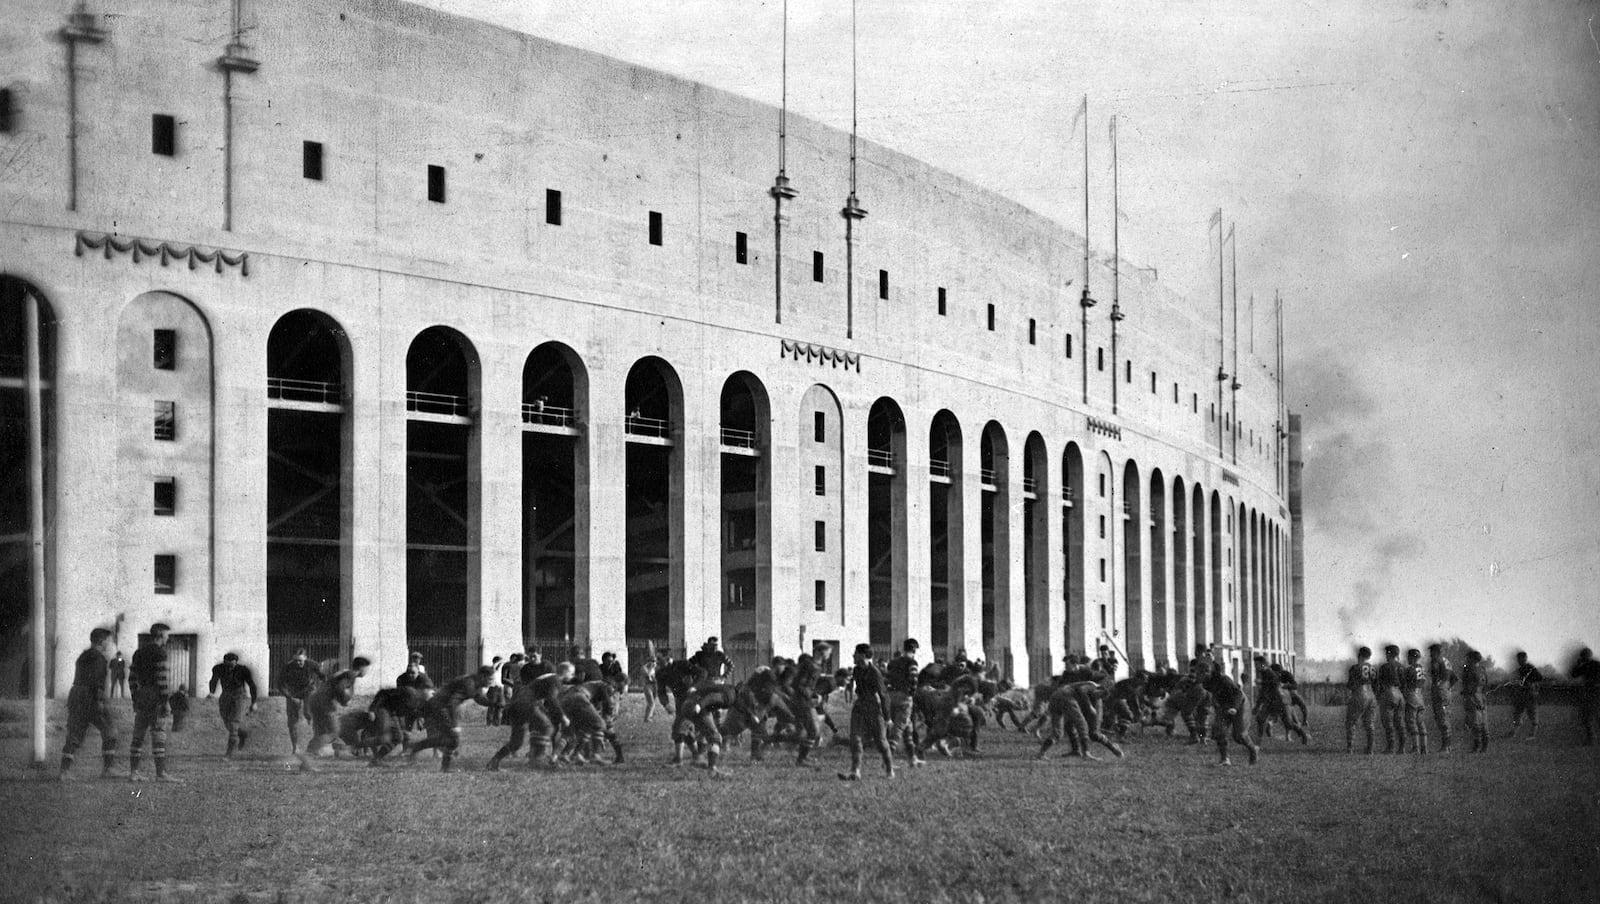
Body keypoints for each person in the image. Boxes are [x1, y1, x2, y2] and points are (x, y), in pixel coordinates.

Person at [407, 666, 494, 772]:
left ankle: (418, 747)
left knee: (449, 739)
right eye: (490, 679)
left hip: (440, 706)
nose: (492, 682)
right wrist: (454, 725)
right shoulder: (469, 684)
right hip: (439, 707)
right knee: (453, 738)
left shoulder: (474, 683)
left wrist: (494, 704)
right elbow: (452, 703)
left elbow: (479, 697)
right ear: (482, 676)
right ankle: (443, 766)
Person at [59, 627, 119, 780]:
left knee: (75, 733)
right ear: (101, 641)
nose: (110, 643)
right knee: (110, 729)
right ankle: (108, 768)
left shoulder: (83, 656)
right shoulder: (99, 658)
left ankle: (64, 771)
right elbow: (96, 681)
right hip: (90, 695)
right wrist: (99, 701)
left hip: (76, 694)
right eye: (108, 640)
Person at [487, 662, 571, 771]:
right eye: (571, 673)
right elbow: (552, 699)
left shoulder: (548, 677)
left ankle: (494, 762)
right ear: (566, 671)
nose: (572, 676)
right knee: (547, 728)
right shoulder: (556, 680)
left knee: (516, 742)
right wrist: (563, 717)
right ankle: (536, 760)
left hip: (516, 705)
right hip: (527, 704)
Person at [128, 622, 180, 782]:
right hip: (155, 695)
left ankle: (133, 773)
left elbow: (132, 678)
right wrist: (165, 701)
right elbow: (161, 679)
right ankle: (160, 774)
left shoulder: (138, 652)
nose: (168, 638)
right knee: (158, 733)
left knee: (138, 734)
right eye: (166, 635)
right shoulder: (160, 653)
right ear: (160, 635)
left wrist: (135, 697)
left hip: (142, 694)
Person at [299, 657, 370, 772]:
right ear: (362, 668)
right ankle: (306, 755)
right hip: (324, 702)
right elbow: (340, 687)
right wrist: (344, 700)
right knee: (334, 732)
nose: (367, 672)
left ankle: (306, 764)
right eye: (367, 669)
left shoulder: (345, 672)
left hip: (316, 699)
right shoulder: (351, 675)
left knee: (321, 733)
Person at [838, 643, 895, 781]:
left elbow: (883, 695)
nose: (853, 655)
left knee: (881, 742)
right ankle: (855, 771)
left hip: (874, 708)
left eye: (855, 653)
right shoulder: (857, 670)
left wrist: (887, 718)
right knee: (855, 738)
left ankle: (889, 770)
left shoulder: (875, 673)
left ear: (862, 655)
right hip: (860, 707)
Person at [1200, 659, 1258, 766]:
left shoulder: (1224, 679)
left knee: (1239, 736)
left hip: (1240, 704)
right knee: (1218, 730)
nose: (1201, 675)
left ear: (1210, 671)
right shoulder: (1205, 683)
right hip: (1224, 705)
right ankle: (1225, 759)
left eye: (1204, 672)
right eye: (1199, 673)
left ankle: (1253, 749)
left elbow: (1238, 694)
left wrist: (1234, 708)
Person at [207, 652, 258, 758]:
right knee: (227, 722)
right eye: (227, 666)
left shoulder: (243, 670)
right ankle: (242, 734)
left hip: (239, 696)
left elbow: (252, 685)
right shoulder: (218, 668)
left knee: (234, 723)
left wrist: (254, 702)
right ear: (224, 662)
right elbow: (214, 680)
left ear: (236, 663)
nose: (229, 668)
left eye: (232, 666)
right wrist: (211, 692)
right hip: (225, 695)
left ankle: (229, 753)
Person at [885, 638, 924, 767]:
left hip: (891, 696)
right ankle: (887, 761)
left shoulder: (893, 662)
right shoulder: (912, 662)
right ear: (914, 650)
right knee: (899, 729)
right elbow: (914, 679)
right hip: (904, 697)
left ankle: (912, 758)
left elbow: (887, 678)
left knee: (908, 728)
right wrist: (911, 694)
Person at [1253, 655, 1309, 745]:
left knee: (1289, 724)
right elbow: (1263, 691)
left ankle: (1303, 734)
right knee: (1260, 719)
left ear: (1262, 664)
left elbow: (1275, 683)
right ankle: (1257, 743)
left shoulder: (1269, 673)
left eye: (1256, 664)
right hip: (1270, 701)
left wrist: (1262, 683)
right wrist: (1257, 706)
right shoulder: (1263, 673)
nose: (1255, 666)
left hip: (1280, 701)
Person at [277, 647, 323, 754]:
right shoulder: (287, 667)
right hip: (293, 692)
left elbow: (323, 676)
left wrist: (321, 688)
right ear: (293, 659)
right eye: (296, 660)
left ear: (305, 658)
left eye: (301, 660)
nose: (298, 663)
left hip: (309, 690)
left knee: (310, 713)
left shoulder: (312, 664)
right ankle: (295, 747)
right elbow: (280, 685)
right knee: (292, 721)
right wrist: (290, 698)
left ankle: (316, 746)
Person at [1345, 646, 1377, 754]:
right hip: (1371, 694)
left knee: (1351, 722)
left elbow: (1350, 685)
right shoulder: (1373, 668)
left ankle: (1350, 748)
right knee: (1369, 723)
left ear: (1359, 655)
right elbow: (1376, 684)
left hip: (1359, 693)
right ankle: (1370, 749)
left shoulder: (1355, 667)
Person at [1426, 643, 1458, 753]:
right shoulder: (1447, 662)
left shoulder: (1436, 660)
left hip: (1439, 690)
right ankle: (1448, 745)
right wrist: (1447, 687)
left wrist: (1438, 685)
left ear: (1436, 651)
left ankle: (1446, 746)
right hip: (1446, 690)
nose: (1430, 654)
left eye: (1431, 651)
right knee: (1445, 717)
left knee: (1441, 718)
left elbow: (1434, 674)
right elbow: (1455, 678)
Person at [1505, 651, 1543, 741]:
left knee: (1532, 714)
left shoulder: (1531, 668)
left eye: (1521, 658)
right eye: (1518, 659)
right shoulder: (1520, 669)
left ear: (1525, 658)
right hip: (1521, 695)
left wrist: (1530, 683)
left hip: (1530, 694)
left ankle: (1532, 734)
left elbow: (1540, 677)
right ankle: (1514, 732)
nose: (1519, 661)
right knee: (1517, 714)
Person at [1375, 645, 1405, 755]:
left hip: (1388, 693)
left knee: (1388, 722)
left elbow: (1380, 684)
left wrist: (1378, 697)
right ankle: (1402, 747)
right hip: (1400, 695)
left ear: (1389, 654)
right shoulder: (1401, 667)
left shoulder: (1384, 667)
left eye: (1386, 653)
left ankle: (1391, 747)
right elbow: (1404, 683)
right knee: (1399, 722)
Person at [1398, 648, 1428, 755]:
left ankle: (1416, 748)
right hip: (1420, 695)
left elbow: (1403, 683)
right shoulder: (1422, 669)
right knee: (1421, 722)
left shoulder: (1409, 669)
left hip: (1412, 695)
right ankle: (1424, 748)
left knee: (1411, 721)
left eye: (1409, 657)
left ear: (1412, 657)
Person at [1460, 650, 1490, 753]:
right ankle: (1484, 747)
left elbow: (1467, 685)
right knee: (1483, 723)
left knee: (1475, 724)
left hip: (1472, 696)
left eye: (1468, 658)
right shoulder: (1482, 669)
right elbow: (1486, 684)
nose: (1466, 660)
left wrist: (1467, 696)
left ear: (1472, 659)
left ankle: (1477, 746)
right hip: (1482, 696)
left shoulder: (1469, 670)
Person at [1571, 647, 1600, 746]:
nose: (1584, 657)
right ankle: (1591, 739)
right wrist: (1578, 665)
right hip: (1589, 693)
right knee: (1587, 717)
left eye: (1585, 655)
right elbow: (1574, 674)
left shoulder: (1595, 664)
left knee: (1590, 717)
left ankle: (1591, 739)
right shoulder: (1586, 665)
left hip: (1595, 692)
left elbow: (1574, 674)